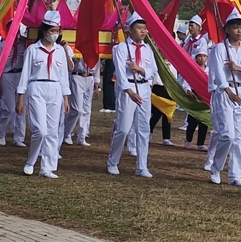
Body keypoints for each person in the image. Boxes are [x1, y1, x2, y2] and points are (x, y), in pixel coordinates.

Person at [207, 8, 241, 187]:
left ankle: (235, 175)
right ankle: (216, 167)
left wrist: (239, 68)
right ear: (227, 29)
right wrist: (227, 91)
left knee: (238, 136)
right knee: (227, 135)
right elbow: (216, 73)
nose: (239, 31)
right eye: (235, 27)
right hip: (224, 93)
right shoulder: (219, 49)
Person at [16, 11, 71, 178]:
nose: (55, 34)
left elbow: (63, 76)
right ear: (45, 30)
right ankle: (31, 161)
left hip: (55, 89)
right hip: (36, 88)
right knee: (40, 130)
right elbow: (25, 74)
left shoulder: (60, 51)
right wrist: (20, 97)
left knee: (53, 131)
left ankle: (47, 167)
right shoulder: (33, 49)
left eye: (57, 30)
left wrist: (65, 97)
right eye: (52, 30)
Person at [107, 12, 158, 178]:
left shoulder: (148, 49)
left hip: (143, 87)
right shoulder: (121, 48)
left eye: (144, 28)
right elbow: (120, 73)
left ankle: (142, 165)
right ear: (129, 29)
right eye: (139, 28)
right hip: (128, 89)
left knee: (143, 129)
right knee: (123, 128)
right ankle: (113, 161)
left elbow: (153, 71)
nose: (143, 31)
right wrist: (129, 91)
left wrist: (141, 69)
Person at [0, 20, 28, 147]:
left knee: (21, 108)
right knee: (8, 108)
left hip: (20, 75)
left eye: (17, 28)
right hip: (6, 76)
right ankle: (1, 133)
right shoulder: (2, 46)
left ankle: (19, 137)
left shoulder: (23, 45)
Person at [64, 48, 100, 147]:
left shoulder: (95, 46)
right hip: (77, 76)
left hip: (90, 77)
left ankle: (82, 136)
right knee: (77, 109)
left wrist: (96, 86)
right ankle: (67, 133)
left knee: (87, 109)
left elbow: (97, 64)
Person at [181, 42, 210, 150]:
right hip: (194, 96)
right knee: (192, 121)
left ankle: (200, 143)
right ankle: (188, 139)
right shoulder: (193, 69)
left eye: (204, 56)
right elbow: (186, 82)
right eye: (200, 56)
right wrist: (188, 91)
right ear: (196, 57)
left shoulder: (209, 70)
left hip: (205, 98)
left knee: (204, 121)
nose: (202, 59)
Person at [149, 58, 176, 147]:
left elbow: (174, 79)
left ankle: (166, 138)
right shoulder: (156, 63)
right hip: (158, 88)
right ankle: (149, 132)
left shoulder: (173, 65)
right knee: (156, 114)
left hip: (169, 89)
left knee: (167, 115)